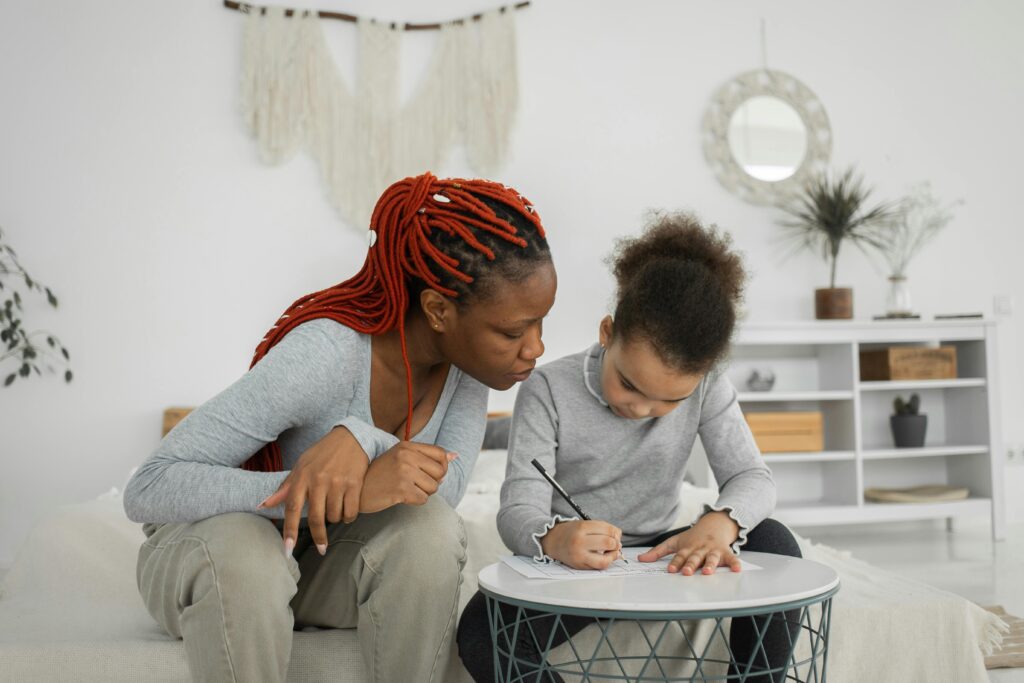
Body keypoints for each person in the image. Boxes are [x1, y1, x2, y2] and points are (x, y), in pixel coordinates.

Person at [123, 172, 556, 683]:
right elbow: (149, 487)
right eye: (512, 331)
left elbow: (445, 492)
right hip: (215, 558)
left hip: (317, 565)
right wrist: (319, 491)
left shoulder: (469, 368)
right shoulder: (326, 354)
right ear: (438, 310)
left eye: (540, 323)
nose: (535, 348)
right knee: (247, 553)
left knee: (430, 530)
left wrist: (361, 439)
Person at [457, 212, 801, 683]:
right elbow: (517, 506)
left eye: (671, 400)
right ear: (607, 333)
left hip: (661, 555)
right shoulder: (547, 388)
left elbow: (753, 478)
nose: (642, 410)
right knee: (481, 633)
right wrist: (554, 539)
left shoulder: (708, 387)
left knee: (775, 541)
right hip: (576, 565)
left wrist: (721, 522)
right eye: (629, 385)